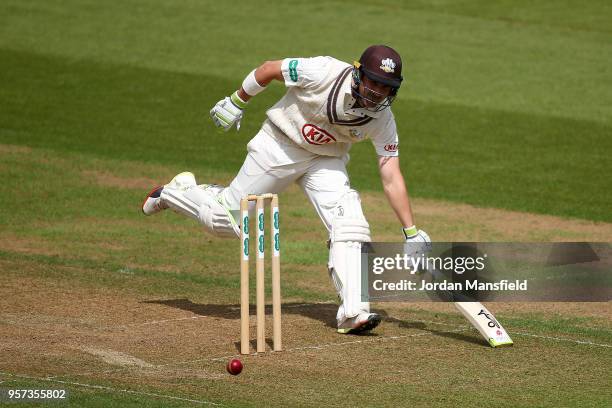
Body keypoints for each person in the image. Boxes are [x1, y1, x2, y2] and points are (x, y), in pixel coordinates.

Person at [142, 45, 431, 334]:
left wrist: (411, 232)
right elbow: (269, 68)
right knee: (225, 222)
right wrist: (237, 100)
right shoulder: (324, 72)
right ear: (358, 74)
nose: (377, 92)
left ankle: (353, 312)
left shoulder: (383, 119)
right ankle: (177, 191)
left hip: (325, 160)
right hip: (279, 145)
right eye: (374, 82)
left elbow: (390, 173)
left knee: (350, 223)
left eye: (386, 87)